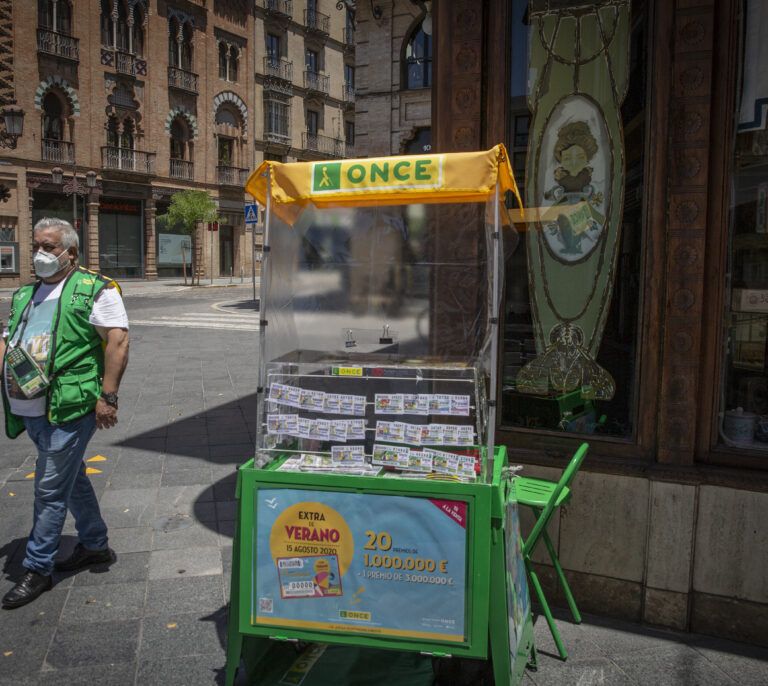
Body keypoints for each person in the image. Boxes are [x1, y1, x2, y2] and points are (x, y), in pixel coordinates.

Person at [1, 218, 129, 609]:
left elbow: (118, 342)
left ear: (70, 252)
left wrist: (108, 397)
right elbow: (8, 338)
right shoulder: (25, 294)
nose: (40, 252)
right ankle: (94, 545)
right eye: (36, 244)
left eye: (49, 246)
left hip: (70, 407)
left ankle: (38, 567)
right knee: (71, 480)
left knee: (49, 487)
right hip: (28, 406)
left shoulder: (96, 289)